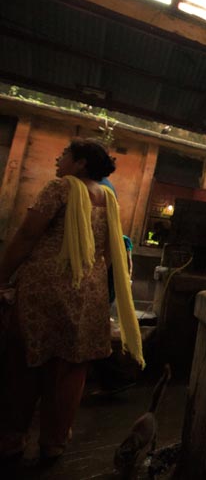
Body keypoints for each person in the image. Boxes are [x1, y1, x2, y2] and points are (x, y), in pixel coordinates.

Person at [0, 138, 144, 468]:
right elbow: (110, 251)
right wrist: (89, 277)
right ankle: (54, 443)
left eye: (65, 155)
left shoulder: (60, 188)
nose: (58, 159)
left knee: (25, 363)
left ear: (80, 164)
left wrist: (3, 275)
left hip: (44, 287)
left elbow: (26, 236)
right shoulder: (108, 198)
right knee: (71, 368)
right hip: (88, 291)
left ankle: (11, 440)